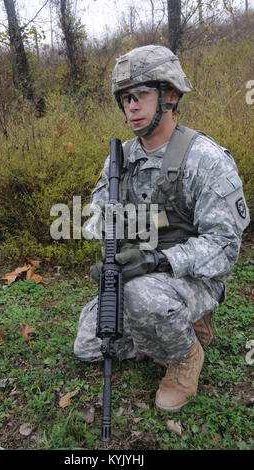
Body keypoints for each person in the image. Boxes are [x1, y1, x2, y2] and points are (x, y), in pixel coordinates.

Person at [74, 45, 250, 412]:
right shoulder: (121, 157)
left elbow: (224, 246)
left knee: (141, 298)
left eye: (140, 96)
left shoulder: (204, 159)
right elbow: (98, 212)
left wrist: (158, 260)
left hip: (197, 276)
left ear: (170, 95)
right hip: (145, 276)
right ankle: (173, 324)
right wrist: (111, 250)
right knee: (90, 344)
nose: (131, 107)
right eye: (125, 99)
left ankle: (185, 355)